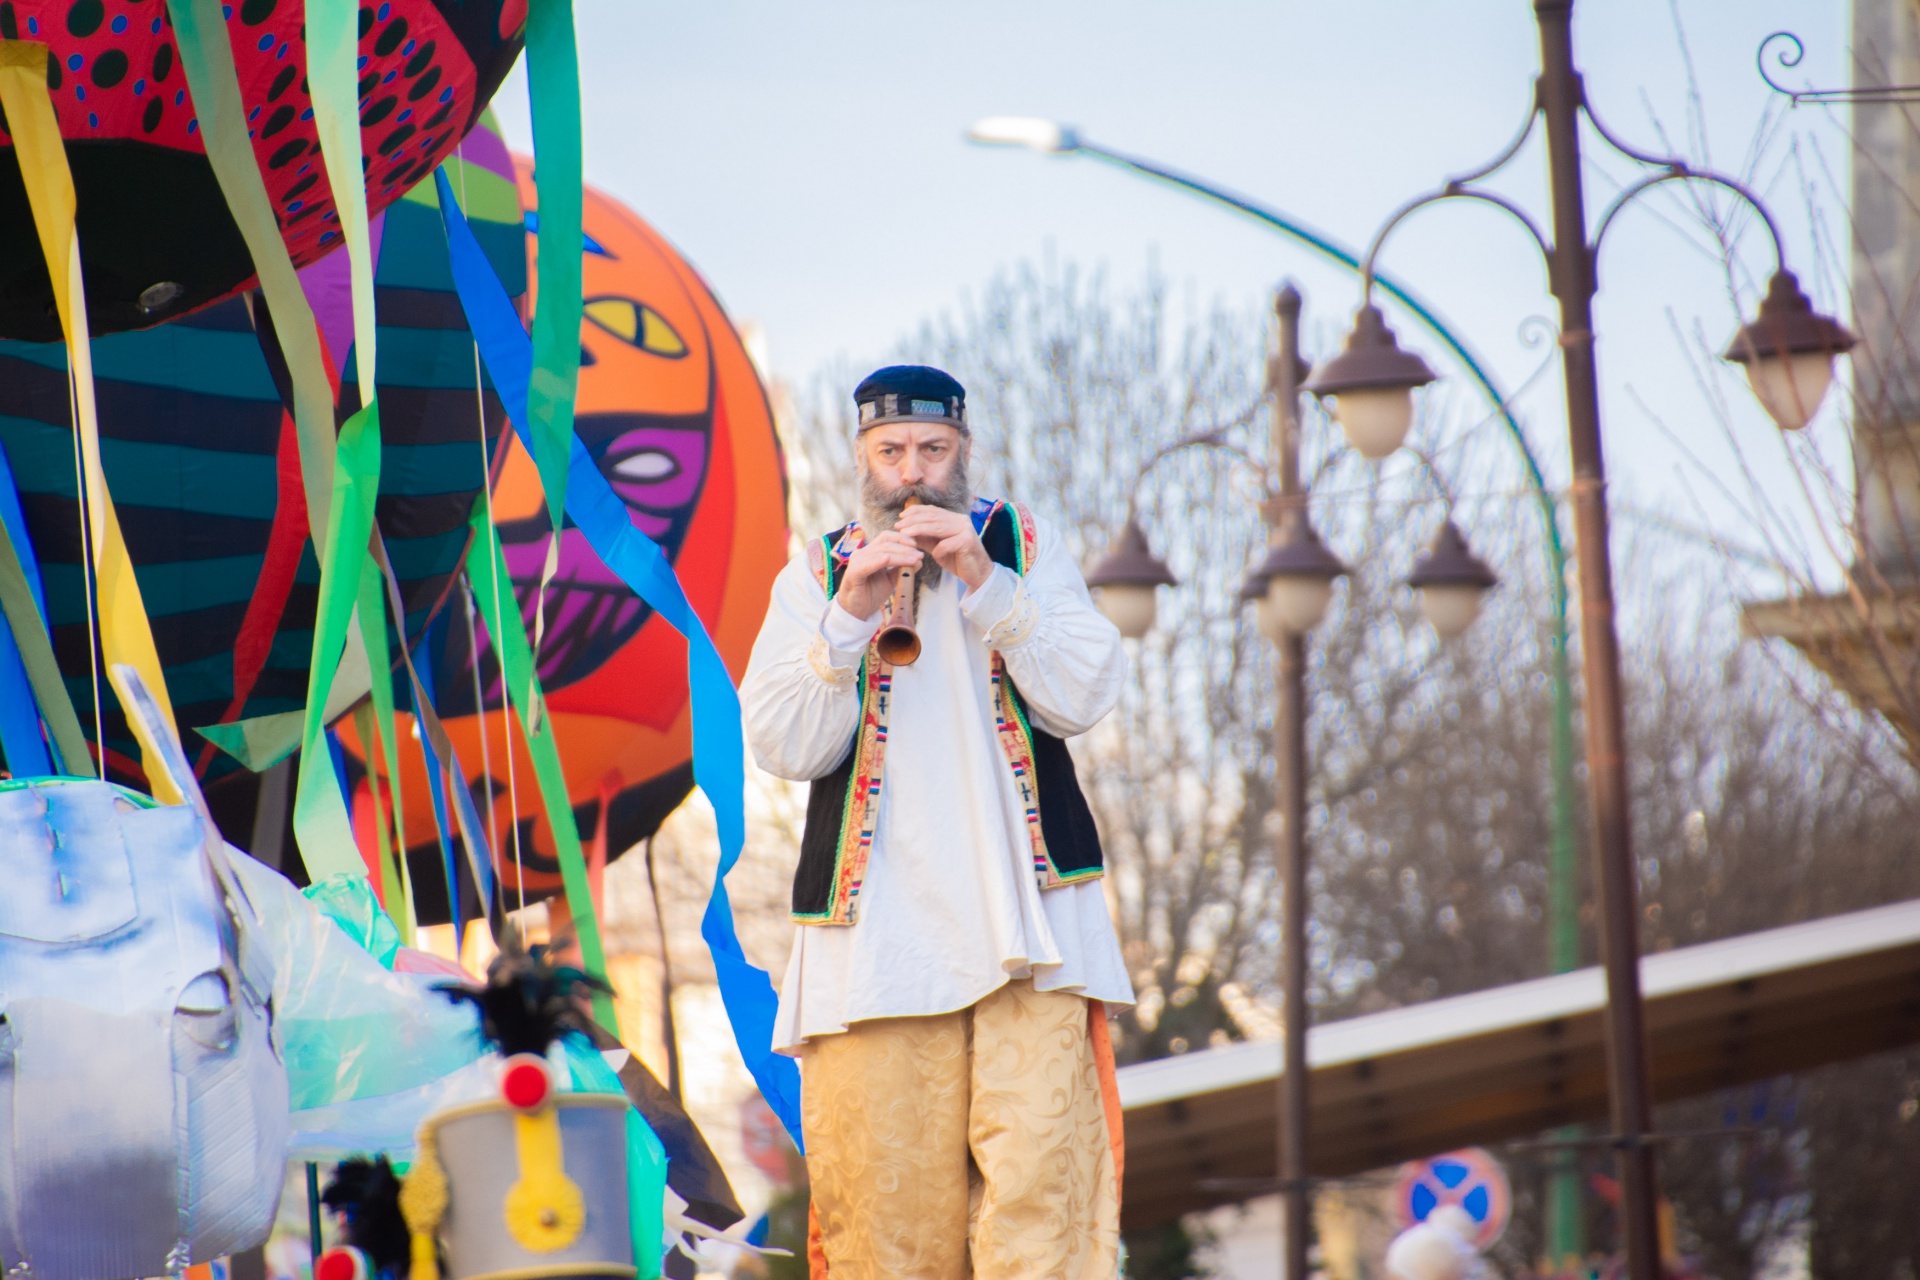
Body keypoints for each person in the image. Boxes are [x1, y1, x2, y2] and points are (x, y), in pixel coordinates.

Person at [741, 365, 1134, 1279]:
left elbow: (1085, 692)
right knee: (888, 1231)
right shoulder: (816, 574)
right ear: (861, 460)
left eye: (932, 449)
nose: (912, 472)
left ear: (963, 452)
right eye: (891, 452)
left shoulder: (1020, 545)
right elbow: (783, 743)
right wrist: (849, 616)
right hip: (877, 952)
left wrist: (985, 582)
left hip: (1029, 937)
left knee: (1042, 1209)